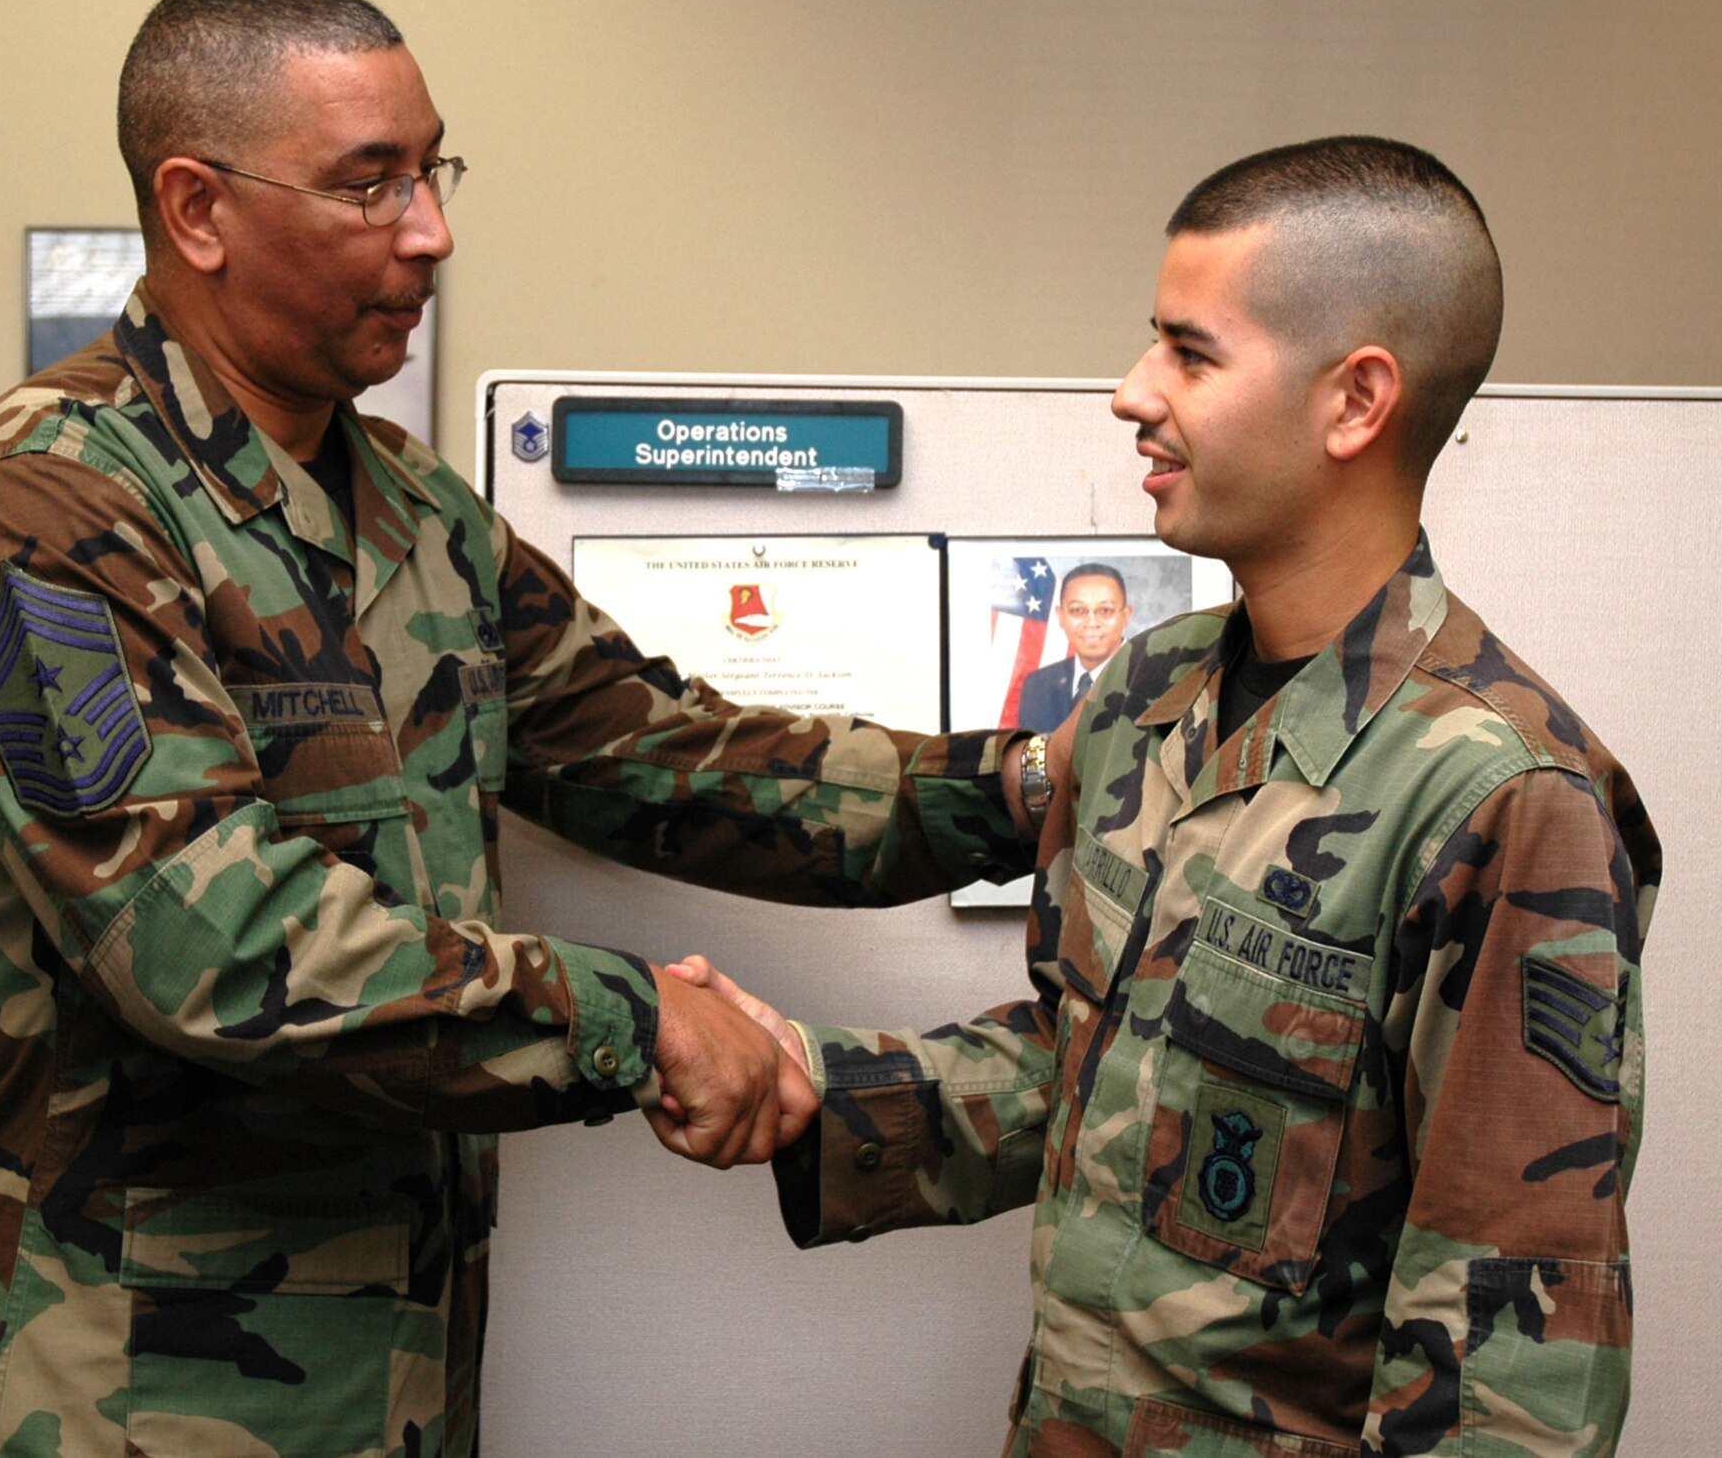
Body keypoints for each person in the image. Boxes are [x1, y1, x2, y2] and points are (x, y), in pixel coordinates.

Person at [0, 0, 1035, 1457]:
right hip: (100, 1386)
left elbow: (678, 761)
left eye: (433, 170)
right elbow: (215, 946)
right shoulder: (47, 501)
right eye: (372, 182)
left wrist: (1038, 783)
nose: (431, 229)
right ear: (197, 208)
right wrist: (640, 1021)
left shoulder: (415, 514)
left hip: (388, 1380)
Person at [686, 137, 1660, 1456]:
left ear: (1357, 399)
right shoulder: (1148, 696)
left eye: (1190, 355)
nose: (1131, 393)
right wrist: (816, 1087)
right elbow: (1092, 1068)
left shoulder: (1499, 794)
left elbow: (1508, 1358)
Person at [1014, 563, 1132, 731]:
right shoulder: (1038, 685)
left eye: (1105, 610)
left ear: (1125, 616)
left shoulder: (1151, 679)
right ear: (1061, 616)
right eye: (1078, 610)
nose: (1091, 623)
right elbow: (1031, 753)